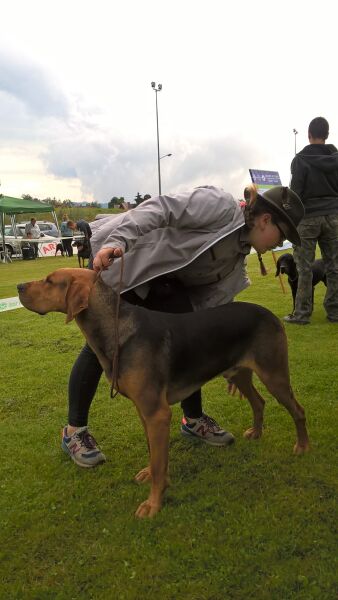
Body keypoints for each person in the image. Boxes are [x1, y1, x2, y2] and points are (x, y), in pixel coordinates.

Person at [61, 185, 304, 468]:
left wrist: (229, 358)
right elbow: (160, 209)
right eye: (283, 235)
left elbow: (203, 320)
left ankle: (193, 419)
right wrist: (119, 241)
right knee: (99, 348)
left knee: (185, 343)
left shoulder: (236, 269)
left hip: (167, 286)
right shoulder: (219, 205)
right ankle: (74, 432)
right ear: (265, 220)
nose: (281, 243)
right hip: (128, 263)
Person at [285, 116, 338, 324]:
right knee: (334, 267)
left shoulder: (300, 160)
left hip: (307, 218)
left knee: (303, 268)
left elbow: (294, 195)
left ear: (308, 135)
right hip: (334, 216)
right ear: (327, 135)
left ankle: (302, 314)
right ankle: (335, 312)